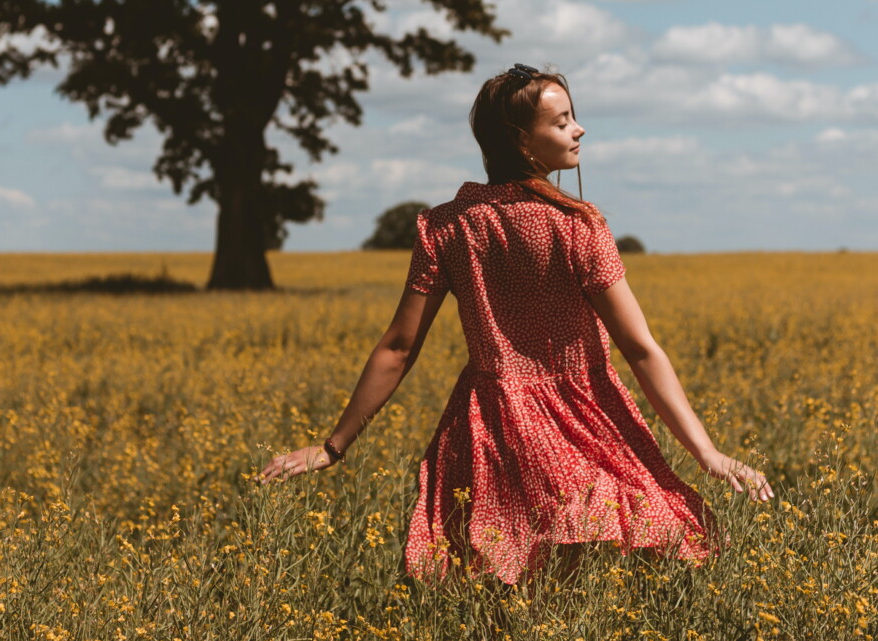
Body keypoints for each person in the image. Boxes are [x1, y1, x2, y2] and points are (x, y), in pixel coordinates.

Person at [259, 63, 773, 589]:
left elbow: (398, 346)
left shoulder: (446, 226)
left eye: (574, 117)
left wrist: (333, 446)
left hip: (490, 427)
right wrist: (706, 453)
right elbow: (640, 349)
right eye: (562, 121)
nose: (579, 129)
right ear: (522, 142)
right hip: (583, 422)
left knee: (509, 592)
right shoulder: (578, 225)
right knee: (614, 572)